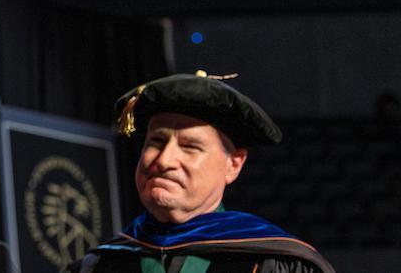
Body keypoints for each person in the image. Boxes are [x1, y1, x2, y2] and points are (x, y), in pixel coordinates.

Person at [68, 72, 334, 273]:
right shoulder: (99, 264)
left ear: (234, 165)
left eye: (190, 146)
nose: (164, 160)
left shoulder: (276, 263)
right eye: (157, 142)